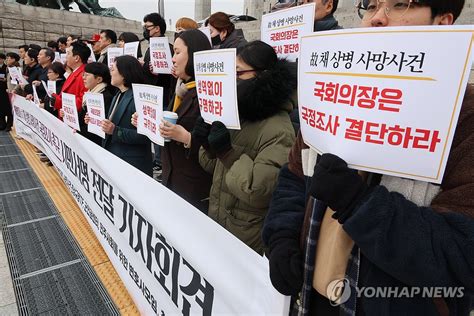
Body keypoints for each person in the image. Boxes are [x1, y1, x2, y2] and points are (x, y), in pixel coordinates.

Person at [262, 0, 473, 315]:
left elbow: (462, 253)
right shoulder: (333, 93)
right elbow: (294, 176)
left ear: (442, 22)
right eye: (372, 5)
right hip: (312, 298)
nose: (376, 19)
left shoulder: (465, 118)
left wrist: (361, 204)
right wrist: (280, 237)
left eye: (399, 5)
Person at [195, 41, 296, 253]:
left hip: (246, 237)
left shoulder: (278, 128)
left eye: (238, 73)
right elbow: (210, 167)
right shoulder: (234, 113)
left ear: (263, 75)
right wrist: (208, 145)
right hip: (218, 222)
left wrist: (227, 153)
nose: (231, 80)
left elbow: (258, 191)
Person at [138, 29, 212, 211]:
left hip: (194, 187)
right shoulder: (181, 88)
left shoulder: (209, 93)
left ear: (195, 54)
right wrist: (145, 121)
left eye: (177, 52)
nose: (172, 59)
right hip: (171, 177)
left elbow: (216, 148)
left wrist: (187, 138)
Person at [97, 55, 152, 176]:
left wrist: (115, 131)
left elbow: (146, 136)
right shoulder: (118, 94)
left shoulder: (139, 98)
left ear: (124, 73)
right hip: (115, 157)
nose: (110, 72)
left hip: (132, 164)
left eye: (113, 69)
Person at [142, 12, 176, 176]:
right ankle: (158, 161)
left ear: (157, 28)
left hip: (163, 96)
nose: (145, 30)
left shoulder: (167, 48)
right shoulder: (150, 48)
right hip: (151, 95)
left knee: (161, 130)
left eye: (147, 26)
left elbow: (170, 74)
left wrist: (157, 72)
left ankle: (162, 163)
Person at [79, 62, 115, 145]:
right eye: (83, 74)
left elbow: (99, 128)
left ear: (99, 79)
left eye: (87, 75)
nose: (83, 78)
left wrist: (78, 131)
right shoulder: (90, 94)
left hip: (95, 144)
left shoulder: (105, 97)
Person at [53, 41, 89, 119]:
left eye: (68, 53)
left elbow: (82, 101)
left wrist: (59, 101)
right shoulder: (76, 71)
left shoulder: (84, 75)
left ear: (76, 58)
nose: (66, 56)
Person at [0, 53, 10, 132]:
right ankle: (2, 123)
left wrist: (5, 80)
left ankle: (8, 125)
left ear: (3, 59)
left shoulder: (6, 68)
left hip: (5, 90)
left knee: (6, 107)